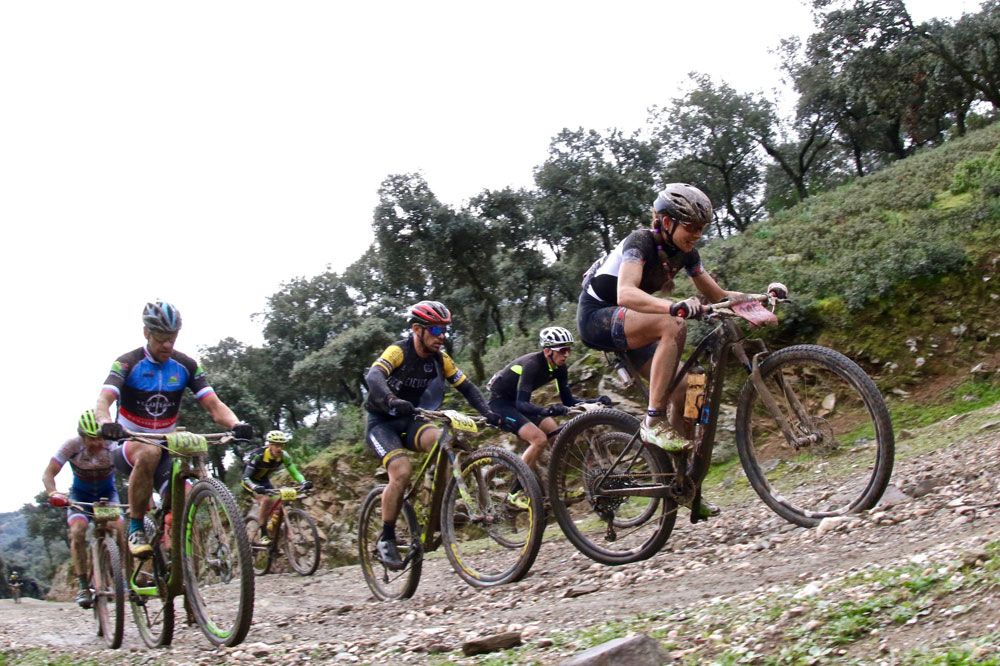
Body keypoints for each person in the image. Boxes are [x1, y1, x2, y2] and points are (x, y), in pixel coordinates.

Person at [577, 184, 746, 518]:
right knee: (673, 324)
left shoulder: (686, 253)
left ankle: (681, 483)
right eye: (691, 227)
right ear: (667, 222)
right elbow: (625, 293)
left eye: (702, 229)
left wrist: (755, 300)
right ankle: (653, 420)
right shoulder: (640, 243)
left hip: (634, 324)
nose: (697, 234)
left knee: (694, 385)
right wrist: (673, 307)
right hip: (598, 317)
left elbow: (718, 295)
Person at [95, 300, 254, 557]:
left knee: (186, 494)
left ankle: (178, 562)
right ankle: (136, 527)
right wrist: (105, 424)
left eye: (173, 337)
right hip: (129, 442)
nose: (168, 345)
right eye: (161, 338)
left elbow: (214, 405)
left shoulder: (185, 366)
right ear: (146, 333)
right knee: (149, 451)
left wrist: (236, 424)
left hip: (166, 445)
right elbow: (103, 400)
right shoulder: (127, 363)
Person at [363, 300, 501, 570]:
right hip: (382, 422)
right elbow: (374, 377)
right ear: (417, 329)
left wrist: (488, 411)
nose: (442, 337)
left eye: (445, 331)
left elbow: (467, 387)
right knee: (401, 472)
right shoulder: (398, 351)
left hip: (412, 420)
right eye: (436, 331)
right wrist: (391, 400)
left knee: (445, 442)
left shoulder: (440, 358)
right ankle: (387, 537)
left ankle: (436, 508)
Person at [486, 326, 611, 503]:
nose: (566, 354)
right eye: (562, 350)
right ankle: (515, 493)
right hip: (500, 403)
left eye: (568, 349)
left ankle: (561, 490)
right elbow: (522, 403)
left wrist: (595, 400)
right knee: (539, 439)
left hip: (516, 402)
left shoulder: (560, 368)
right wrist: (547, 410)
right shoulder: (532, 365)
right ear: (547, 351)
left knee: (559, 436)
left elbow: (568, 401)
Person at [43, 409, 121, 608]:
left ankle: (122, 578)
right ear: (81, 436)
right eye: (90, 439)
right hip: (80, 498)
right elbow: (49, 474)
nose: (96, 444)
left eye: (99, 439)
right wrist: (53, 493)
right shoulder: (71, 446)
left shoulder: (114, 445)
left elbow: (134, 465)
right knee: (77, 532)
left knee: (120, 528)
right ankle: (84, 586)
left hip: (108, 496)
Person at [241, 430, 313, 545]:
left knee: (280, 503)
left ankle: (272, 529)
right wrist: (254, 487)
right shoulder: (258, 455)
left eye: (282, 445)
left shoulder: (284, 456)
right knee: (266, 500)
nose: (279, 448)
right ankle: (263, 534)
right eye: (276, 445)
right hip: (250, 482)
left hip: (264, 481)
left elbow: (294, 472)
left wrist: (303, 482)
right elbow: (245, 478)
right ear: (269, 445)